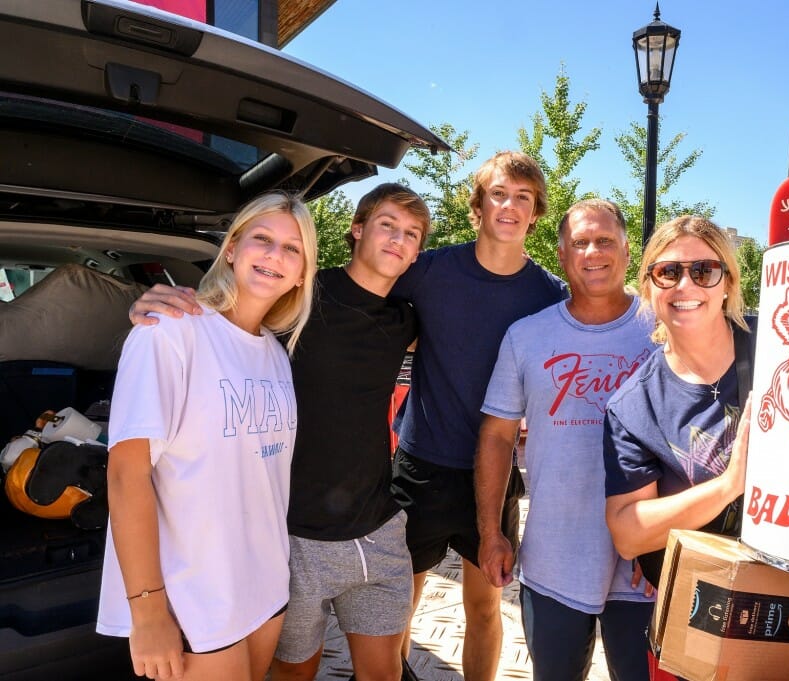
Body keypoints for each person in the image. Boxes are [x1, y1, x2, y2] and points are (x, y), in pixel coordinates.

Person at [125, 183, 431, 681]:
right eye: (387, 225)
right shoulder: (303, 297)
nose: (398, 240)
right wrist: (155, 304)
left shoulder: (403, 318)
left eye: (411, 233)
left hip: (366, 529)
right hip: (290, 536)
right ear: (357, 230)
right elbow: (222, 318)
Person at [98, 191, 318, 681]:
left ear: (303, 272)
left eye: (292, 248)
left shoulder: (275, 355)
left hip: (264, 586)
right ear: (233, 248)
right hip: (193, 595)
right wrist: (148, 612)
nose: (273, 256)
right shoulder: (170, 331)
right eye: (262, 239)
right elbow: (125, 475)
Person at [389, 150, 567, 680]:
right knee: (400, 603)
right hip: (420, 464)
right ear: (479, 205)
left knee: (485, 606)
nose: (509, 206)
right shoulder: (431, 271)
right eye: (498, 194)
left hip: (495, 477)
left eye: (523, 197)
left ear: (535, 212)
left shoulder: (548, 294)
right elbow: (359, 293)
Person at [475, 199, 656, 681]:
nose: (592, 252)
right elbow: (496, 436)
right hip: (554, 558)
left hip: (646, 565)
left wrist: (668, 541)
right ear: (561, 255)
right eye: (580, 242)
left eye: (605, 240)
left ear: (625, 249)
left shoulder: (664, 329)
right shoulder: (527, 336)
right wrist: (492, 534)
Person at [602, 216, 754, 592]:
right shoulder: (636, 405)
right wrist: (728, 486)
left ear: (728, 283)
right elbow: (627, 534)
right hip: (704, 608)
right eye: (668, 272)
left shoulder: (784, 346)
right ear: (649, 288)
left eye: (704, 271)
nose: (686, 285)